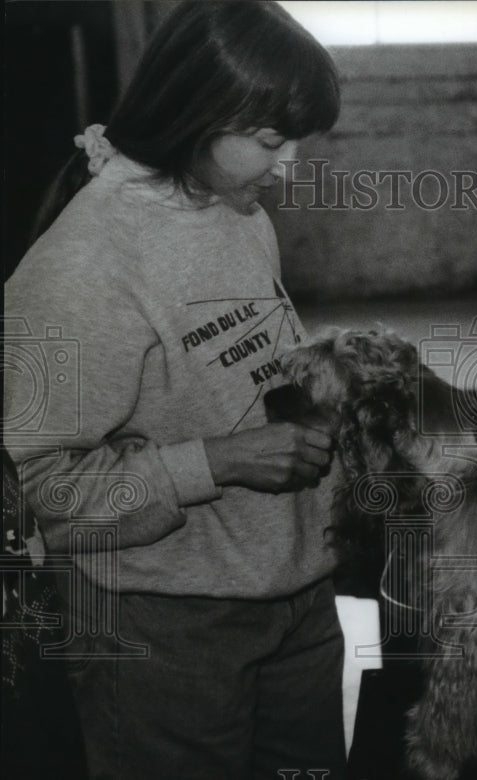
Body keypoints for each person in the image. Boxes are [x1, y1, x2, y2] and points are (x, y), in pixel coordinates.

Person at [4, 2, 347, 777]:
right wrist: (215, 463)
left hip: (295, 594)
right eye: (268, 140)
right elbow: (38, 495)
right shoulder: (82, 268)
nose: (289, 164)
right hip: (167, 627)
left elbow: (238, 369)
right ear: (196, 112)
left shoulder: (236, 212)